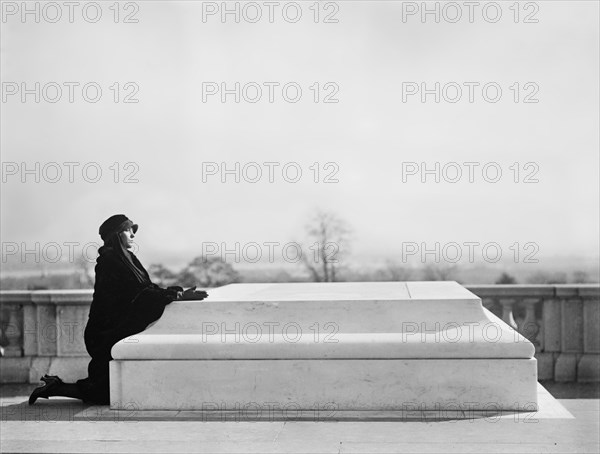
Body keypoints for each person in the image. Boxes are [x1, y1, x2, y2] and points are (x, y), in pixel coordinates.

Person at [28, 214, 207, 405]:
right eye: (128, 230)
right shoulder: (109, 261)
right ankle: (54, 386)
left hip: (116, 328)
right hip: (105, 333)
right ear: (116, 235)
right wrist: (177, 295)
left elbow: (146, 289)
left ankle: (54, 385)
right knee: (103, 393)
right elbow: (140, 295)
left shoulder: (128, 258)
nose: (133, 234)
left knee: (105, 390)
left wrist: (177, 293)